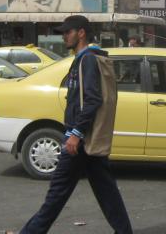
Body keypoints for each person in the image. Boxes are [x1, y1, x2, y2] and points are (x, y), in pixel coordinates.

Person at [19, 15, 132, 234]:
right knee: (107, 191)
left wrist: (76, 133)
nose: (64, 37)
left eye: (67, 32)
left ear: (81, 33)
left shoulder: (87, 60)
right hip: (85, 139)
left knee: (57, 193)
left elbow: (92, 100)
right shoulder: (83, 58)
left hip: (78, 140)